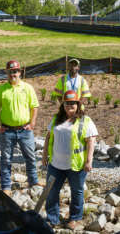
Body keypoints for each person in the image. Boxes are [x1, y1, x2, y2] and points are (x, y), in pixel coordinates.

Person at [42, 90, 97, 231]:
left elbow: (91, 141)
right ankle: (52, 218)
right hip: (56, 164)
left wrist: (89, 161)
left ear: (78, 104)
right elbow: (48, 137)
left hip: (76, 165)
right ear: (63, 104)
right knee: (51, 191)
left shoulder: (85, 120)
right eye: (67, 103)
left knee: (77, 192)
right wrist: (44, 155)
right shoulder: (56, 118)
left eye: (73, 103)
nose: (70, 105)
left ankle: (74, 218)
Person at [0, 60, 41, 196]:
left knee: (30, 157)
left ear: (20, 72)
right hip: (7, 131)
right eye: (10, 71)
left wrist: (32, 123)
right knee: (6, 159)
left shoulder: (27, 88)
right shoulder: (1, 90)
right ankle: (6, 186)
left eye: (15, 71)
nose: (13, 74)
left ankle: (33, 181)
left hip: (25, 130)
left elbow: (34, 106)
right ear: (6, 73)